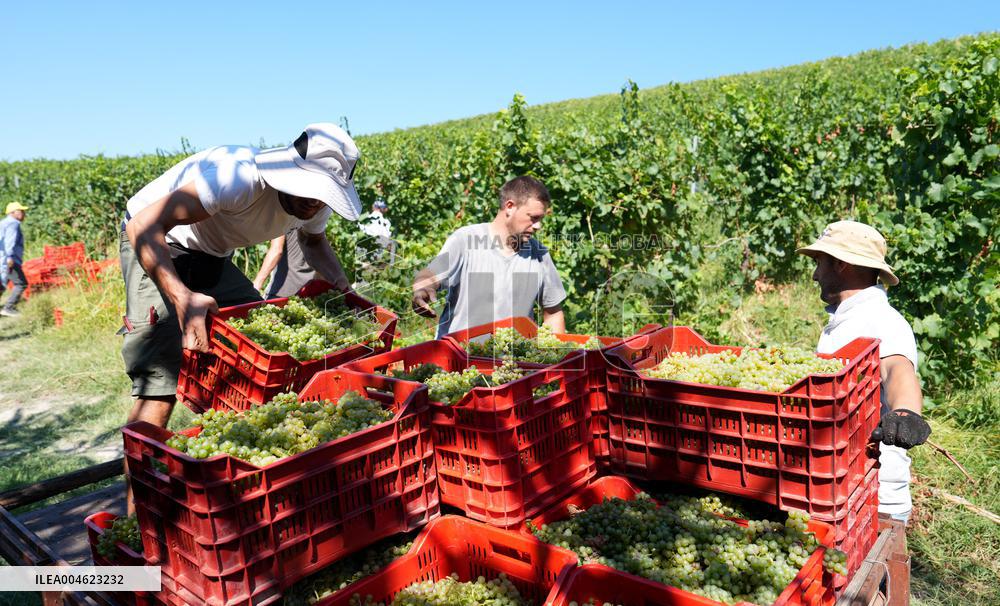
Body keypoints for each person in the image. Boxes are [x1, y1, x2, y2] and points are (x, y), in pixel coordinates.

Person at [121, 122, 361, 436]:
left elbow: (313, 243)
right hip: (155, 240)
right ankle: (140, 482)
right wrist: (182, 297)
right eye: (311, 189)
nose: (315, 202)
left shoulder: (315, 204)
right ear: (290, 171)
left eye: (324, 194)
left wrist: (344, 287)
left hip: (213, 256)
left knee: (262, 344)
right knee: (161, 380)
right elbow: (142, 225)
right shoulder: (239, 178)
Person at [798, 220, 931, 524]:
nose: (816, 274)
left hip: (874, 500)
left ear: (842, 264)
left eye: (820, 263)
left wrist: (906, 414)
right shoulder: (848, 319)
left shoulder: (882, 321)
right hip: (845, 489)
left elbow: (898, 369)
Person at [412, 175, 566, 338]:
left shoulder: (538, 254)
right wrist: (423, 289)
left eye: (541, 219)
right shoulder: (466, 240)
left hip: (514, 361)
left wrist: (557, 356)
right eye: (533, 218)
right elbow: (431, 274)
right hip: (462, 358)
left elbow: (553, 313)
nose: (538, 226)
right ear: (510, 207)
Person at [253, 227, 318, 299]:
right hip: (309, 287)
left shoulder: (280, 217)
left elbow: (276, 251)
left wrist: (256, 285)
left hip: (283, 290)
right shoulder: (313, 216)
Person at [0, 202, 29, 317]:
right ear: (13, 213)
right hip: (9, 260)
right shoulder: (13, 224)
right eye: (21, 211)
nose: (23, 213)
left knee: (2, 284)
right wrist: (10, 257)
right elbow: (9, 242)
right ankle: (8, 308)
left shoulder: (3, 223)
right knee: (21, 283)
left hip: (2, 259)